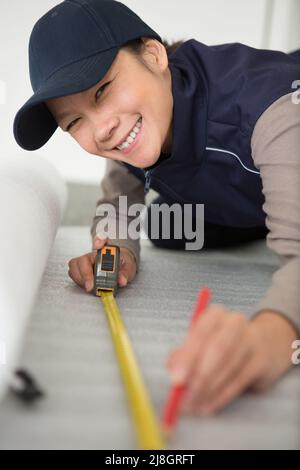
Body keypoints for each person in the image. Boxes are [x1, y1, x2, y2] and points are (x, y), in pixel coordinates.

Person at [13, 0, 300, 416]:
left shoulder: (267, 110)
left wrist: (272, 339)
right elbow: (118, 202)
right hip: (252, 188)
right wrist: (114, 251)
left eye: (103, 89)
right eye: (74, 122)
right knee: (170, 229)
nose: (101, 129)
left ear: (154, 54)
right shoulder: (130, 128)